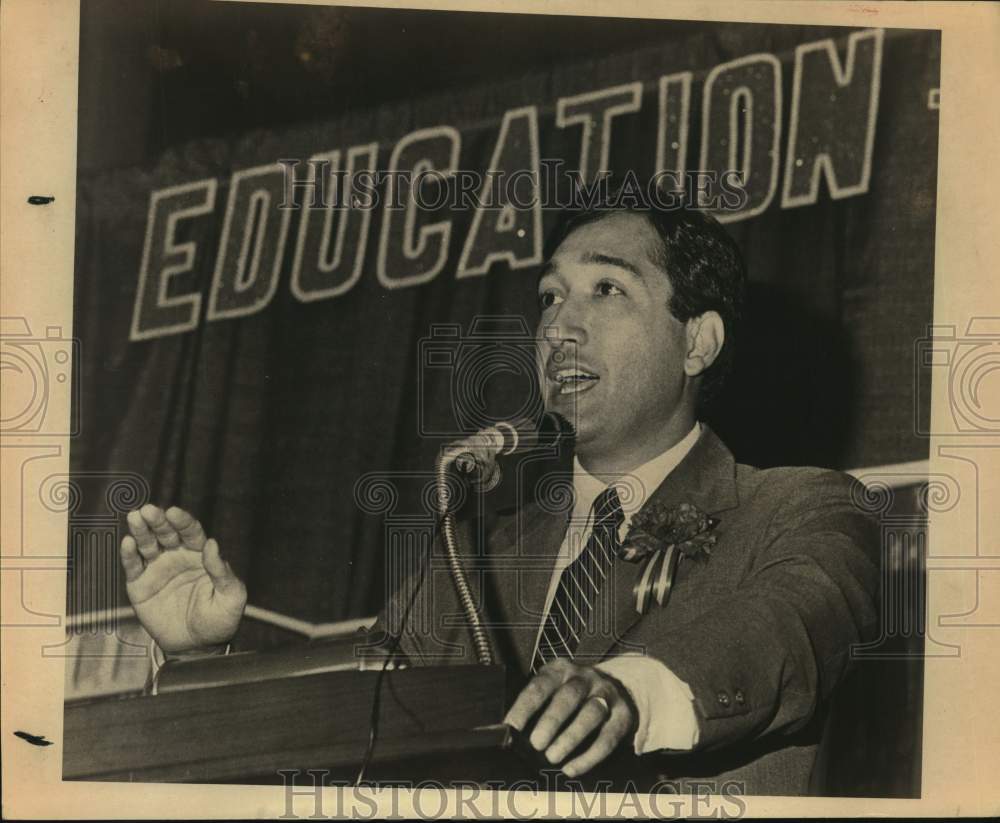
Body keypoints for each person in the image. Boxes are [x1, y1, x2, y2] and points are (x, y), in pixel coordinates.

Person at [120, 202, 880, 795]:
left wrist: (627, 690)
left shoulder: (802, 509)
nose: (558, 328)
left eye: (606, 289)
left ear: (698, 341)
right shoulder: (477, 556)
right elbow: (360, 705)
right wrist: (205, 657)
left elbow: (784, 626)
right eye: (550, 298)